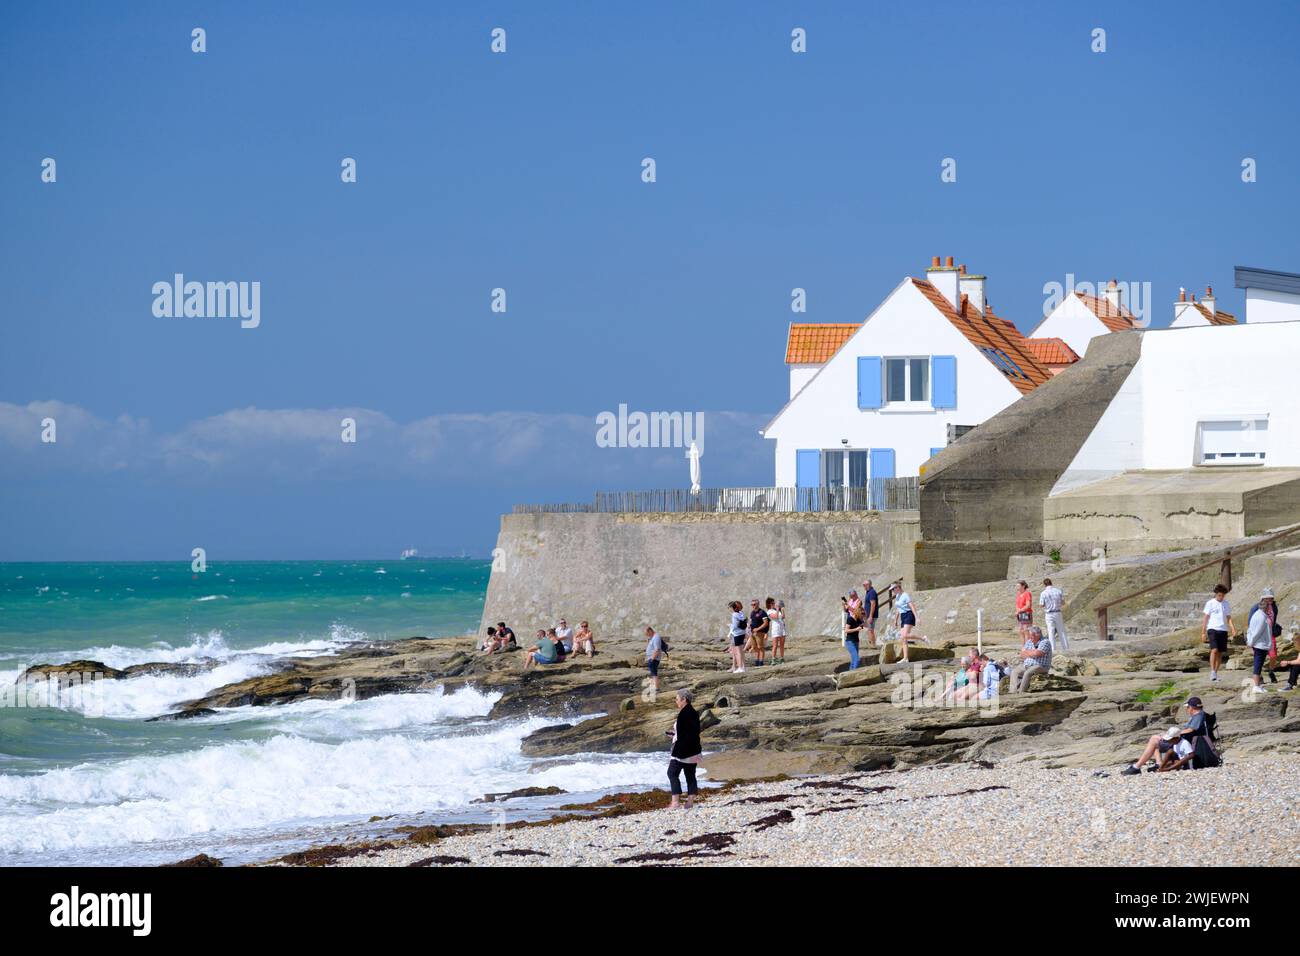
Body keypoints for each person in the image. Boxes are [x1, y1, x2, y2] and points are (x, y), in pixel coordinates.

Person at [1121, 697, 1206, 774]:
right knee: (1155, 739)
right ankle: (1158, 763)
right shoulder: (1199, 715)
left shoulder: (1198, 716)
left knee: (1154, 740)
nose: (1187, 709)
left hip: (1181, 741)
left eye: (1187, 707)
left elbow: (1190, 730)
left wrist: (1174, 734)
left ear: (1192, 707)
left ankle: (1137, 767)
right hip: (1182, 739)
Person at [667, 689, 702, 810]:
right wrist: (674, 734)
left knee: (672, 773)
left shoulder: (684, 714)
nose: (676, 702)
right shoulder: (693, 712)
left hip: (683, 751)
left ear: (684, 700)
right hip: (694, 750)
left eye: (677, 699)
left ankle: (675, 802)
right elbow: (691, 732)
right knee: (690, 775)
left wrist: (677, 750)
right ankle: (690, 802)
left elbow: (684, 736)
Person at [1245, 588, 1277, 694]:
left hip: (1265, 639)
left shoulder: (1269, 610)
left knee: (1264, 660)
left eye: (1271, 600)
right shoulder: (1259, 614)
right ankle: (1256, 685)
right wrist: (1251, 641)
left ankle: (1259, 683)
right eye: (1268, 600)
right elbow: (1256, 629)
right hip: (1260, 642)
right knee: (1258, 663)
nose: (1270, 603)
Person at [1202, 584, 1235, 682]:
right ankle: (1212, 671)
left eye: (1223, 595)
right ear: (1216, 594)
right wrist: (1203, 632)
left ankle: (1215, 673)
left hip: (1223, 629)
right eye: (1220, 595)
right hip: (1212, 629)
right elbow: (1205, 618)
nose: (1221, 597)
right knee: (1214, 650)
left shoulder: (1226, 604)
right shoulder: (1210, 603)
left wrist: (1232, 628)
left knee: (1220, 653)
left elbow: (1229, 618)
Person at [1007, 625, 1053, 693]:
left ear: (1037, 635)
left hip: (1041, 666)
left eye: (1031, 635)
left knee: (1028, 673)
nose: (1030, 636)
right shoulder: (1029, 642)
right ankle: (1013, 691)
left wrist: (1028, 653)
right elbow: (1022, 654)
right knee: (1015, 671)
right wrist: (1032, 652)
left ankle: (1021, 692)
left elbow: (1038, 653)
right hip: (1027, 665)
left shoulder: (1045, 642)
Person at [892, 583, 927, 661]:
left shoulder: (905, 595)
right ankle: (905, 658)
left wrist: (917, 617)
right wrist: (896, 619)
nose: (892, 591)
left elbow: (912, 606)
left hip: (909, 614)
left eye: (893, 588)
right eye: (892, 589)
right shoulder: (897, 596)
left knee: (904, 635)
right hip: (903, 616)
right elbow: (898, 608)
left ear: (898, 587)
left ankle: (923, 638)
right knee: (903, 638)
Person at [1040, 578, 1068, 652]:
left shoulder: (1043, 593)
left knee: (1050, 630)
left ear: (1044, 584)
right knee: (1061, 630)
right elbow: (1063, 603)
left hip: (1049, 613)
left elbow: (1041, 604)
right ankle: (1065, 647)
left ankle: (1052, 648)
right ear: (1051, 583)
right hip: (1057, 612)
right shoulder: (1058, 591)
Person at [842, 598, 863, 670]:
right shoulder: (850, 619)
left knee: (854, 660)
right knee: (857, 659)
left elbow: (867, 625)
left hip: (856, 641)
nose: (862, 615)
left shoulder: (859, 620)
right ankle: (853, 674)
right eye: (861, 613)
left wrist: (865, 619)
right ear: (857, 612)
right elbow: (846, 630)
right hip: (850, 642)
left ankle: (849, 674)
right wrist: (856, 629)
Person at [747, 599, 770, 666]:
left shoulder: (762, 612)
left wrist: (758, 629)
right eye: (752, 604)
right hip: (752, 632)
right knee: (754, 647)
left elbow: (766, 623)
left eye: (754, 604)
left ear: (758, 604)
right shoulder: (752, 612)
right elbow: (751, 621)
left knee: (760, 647)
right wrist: (749, 626)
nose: (753, 606)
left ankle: (761, 662)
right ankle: (757, 660)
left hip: (759, 632)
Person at [726, 601, 747, 673]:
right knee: (741, 651)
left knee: (738, 652)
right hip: (742, 633)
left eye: (729, 608)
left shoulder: (734, 614)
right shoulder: (741, 613)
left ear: (732, 608)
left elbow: (735, 626)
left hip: (737, 634)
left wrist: (730, 626)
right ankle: (743, 667)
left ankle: (740, 668)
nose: (729, 609)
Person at [766, 598, 787, 664]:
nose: (774, 604)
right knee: (775, 645)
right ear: (769, 604)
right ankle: (773, 659)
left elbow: (783, 617)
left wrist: (782, 610)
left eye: (774, 603)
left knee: (782, 644)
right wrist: (777, 609)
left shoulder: (777, 610)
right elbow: (776, 617)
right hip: (775, 629)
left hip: (782, 628)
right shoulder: (769, 611)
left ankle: (782, 658)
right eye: (772, 603)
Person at [645, 626, 664, 694]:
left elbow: (657, 650)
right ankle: (655, 688)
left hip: (654, 659)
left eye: (647, 634)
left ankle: (657, 689)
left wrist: (652, 659)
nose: (647, 635)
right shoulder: (653, 637)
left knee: (654, 674)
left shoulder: (656, 637)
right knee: (653, 674)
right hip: (652, 658)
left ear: (650, 631)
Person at [862, 580, 880, 648]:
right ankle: (871, 644)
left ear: (868, 585)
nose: (863, 586)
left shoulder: (872, 592)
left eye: (864, 585)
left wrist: (870, 616)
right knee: (868, 629)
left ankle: (873, 645)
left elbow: (873, 604)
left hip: (871, 615)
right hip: (868, 615)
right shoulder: (868, 592)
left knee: (870, 629)